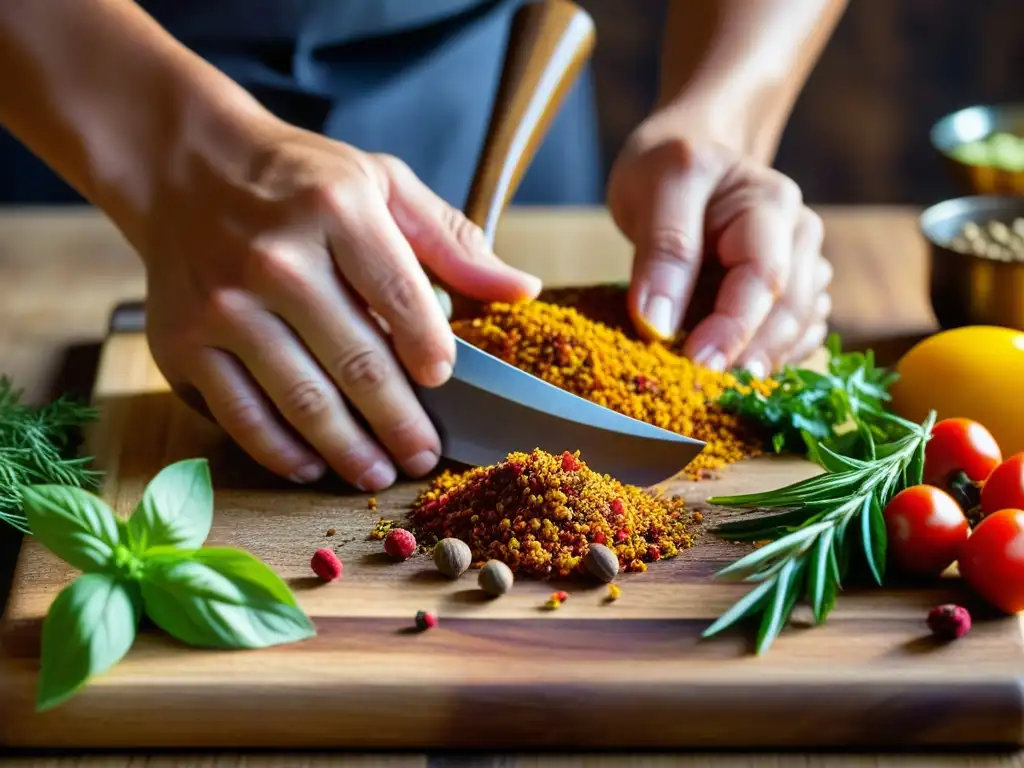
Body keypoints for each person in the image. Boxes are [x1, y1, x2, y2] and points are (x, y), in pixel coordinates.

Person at [0, 0, 843, 492]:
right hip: (72, 102)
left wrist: (724, 112)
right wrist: (162, 148)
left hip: (481, 67)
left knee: (505, 303)